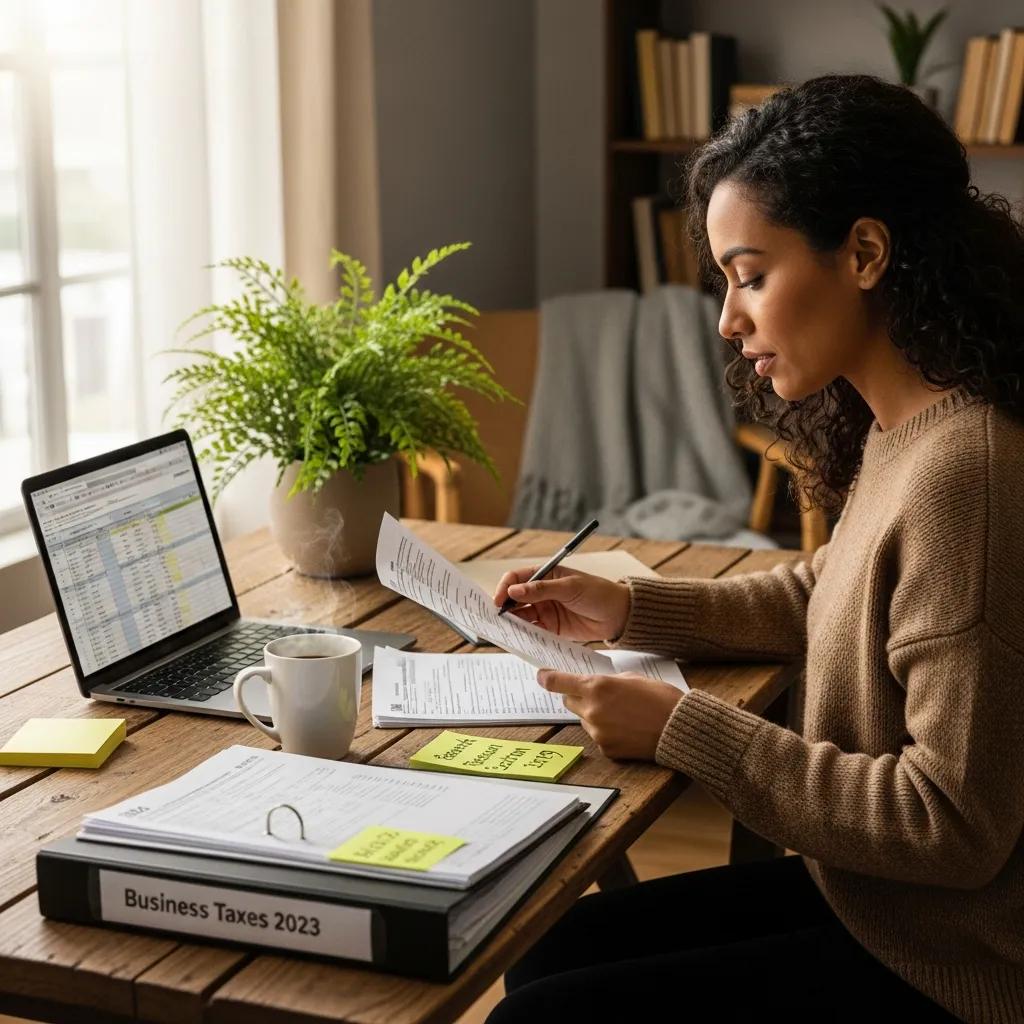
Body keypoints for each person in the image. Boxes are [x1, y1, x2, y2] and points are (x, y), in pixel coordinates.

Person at [485, 74, 1024, 1023]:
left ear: (864, 252)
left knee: (541, 1010)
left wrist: (683, 729)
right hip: (868, 898)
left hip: (946, 960)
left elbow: (952, 825)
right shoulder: (910, 424)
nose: (731, 321)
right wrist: (630, 607)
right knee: (551, 947)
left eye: (751, 274)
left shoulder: (965, 471)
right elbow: (835, 588)